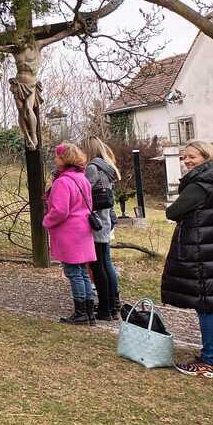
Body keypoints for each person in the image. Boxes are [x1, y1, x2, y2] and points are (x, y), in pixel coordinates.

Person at [161, 140, 213, 378]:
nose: (187, 161)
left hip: (202, 252)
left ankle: (209, 360)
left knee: (206, 305)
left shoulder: (200, 185)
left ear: (206, 157)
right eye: (184, 157)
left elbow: (173, 212)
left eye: (192, 157)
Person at [43, 143, 97, 325]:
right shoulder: (82, 178)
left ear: (63, 158)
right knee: (82, 272)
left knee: (74, 272)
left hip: (70, 233)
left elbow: (60, 211)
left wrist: (46, 221)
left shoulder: (63, 182)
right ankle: (88, 312)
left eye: (57, 156)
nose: (55, 159)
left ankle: (81, 313)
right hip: (84, 230)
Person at [82, 136, 122, 321]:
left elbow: (84, 190)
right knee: (106, 264)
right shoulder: (106, 166)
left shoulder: (92, 167)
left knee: (98, 266)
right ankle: (113, 305)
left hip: (97, 220)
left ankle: (105, 308)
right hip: (106, 219)